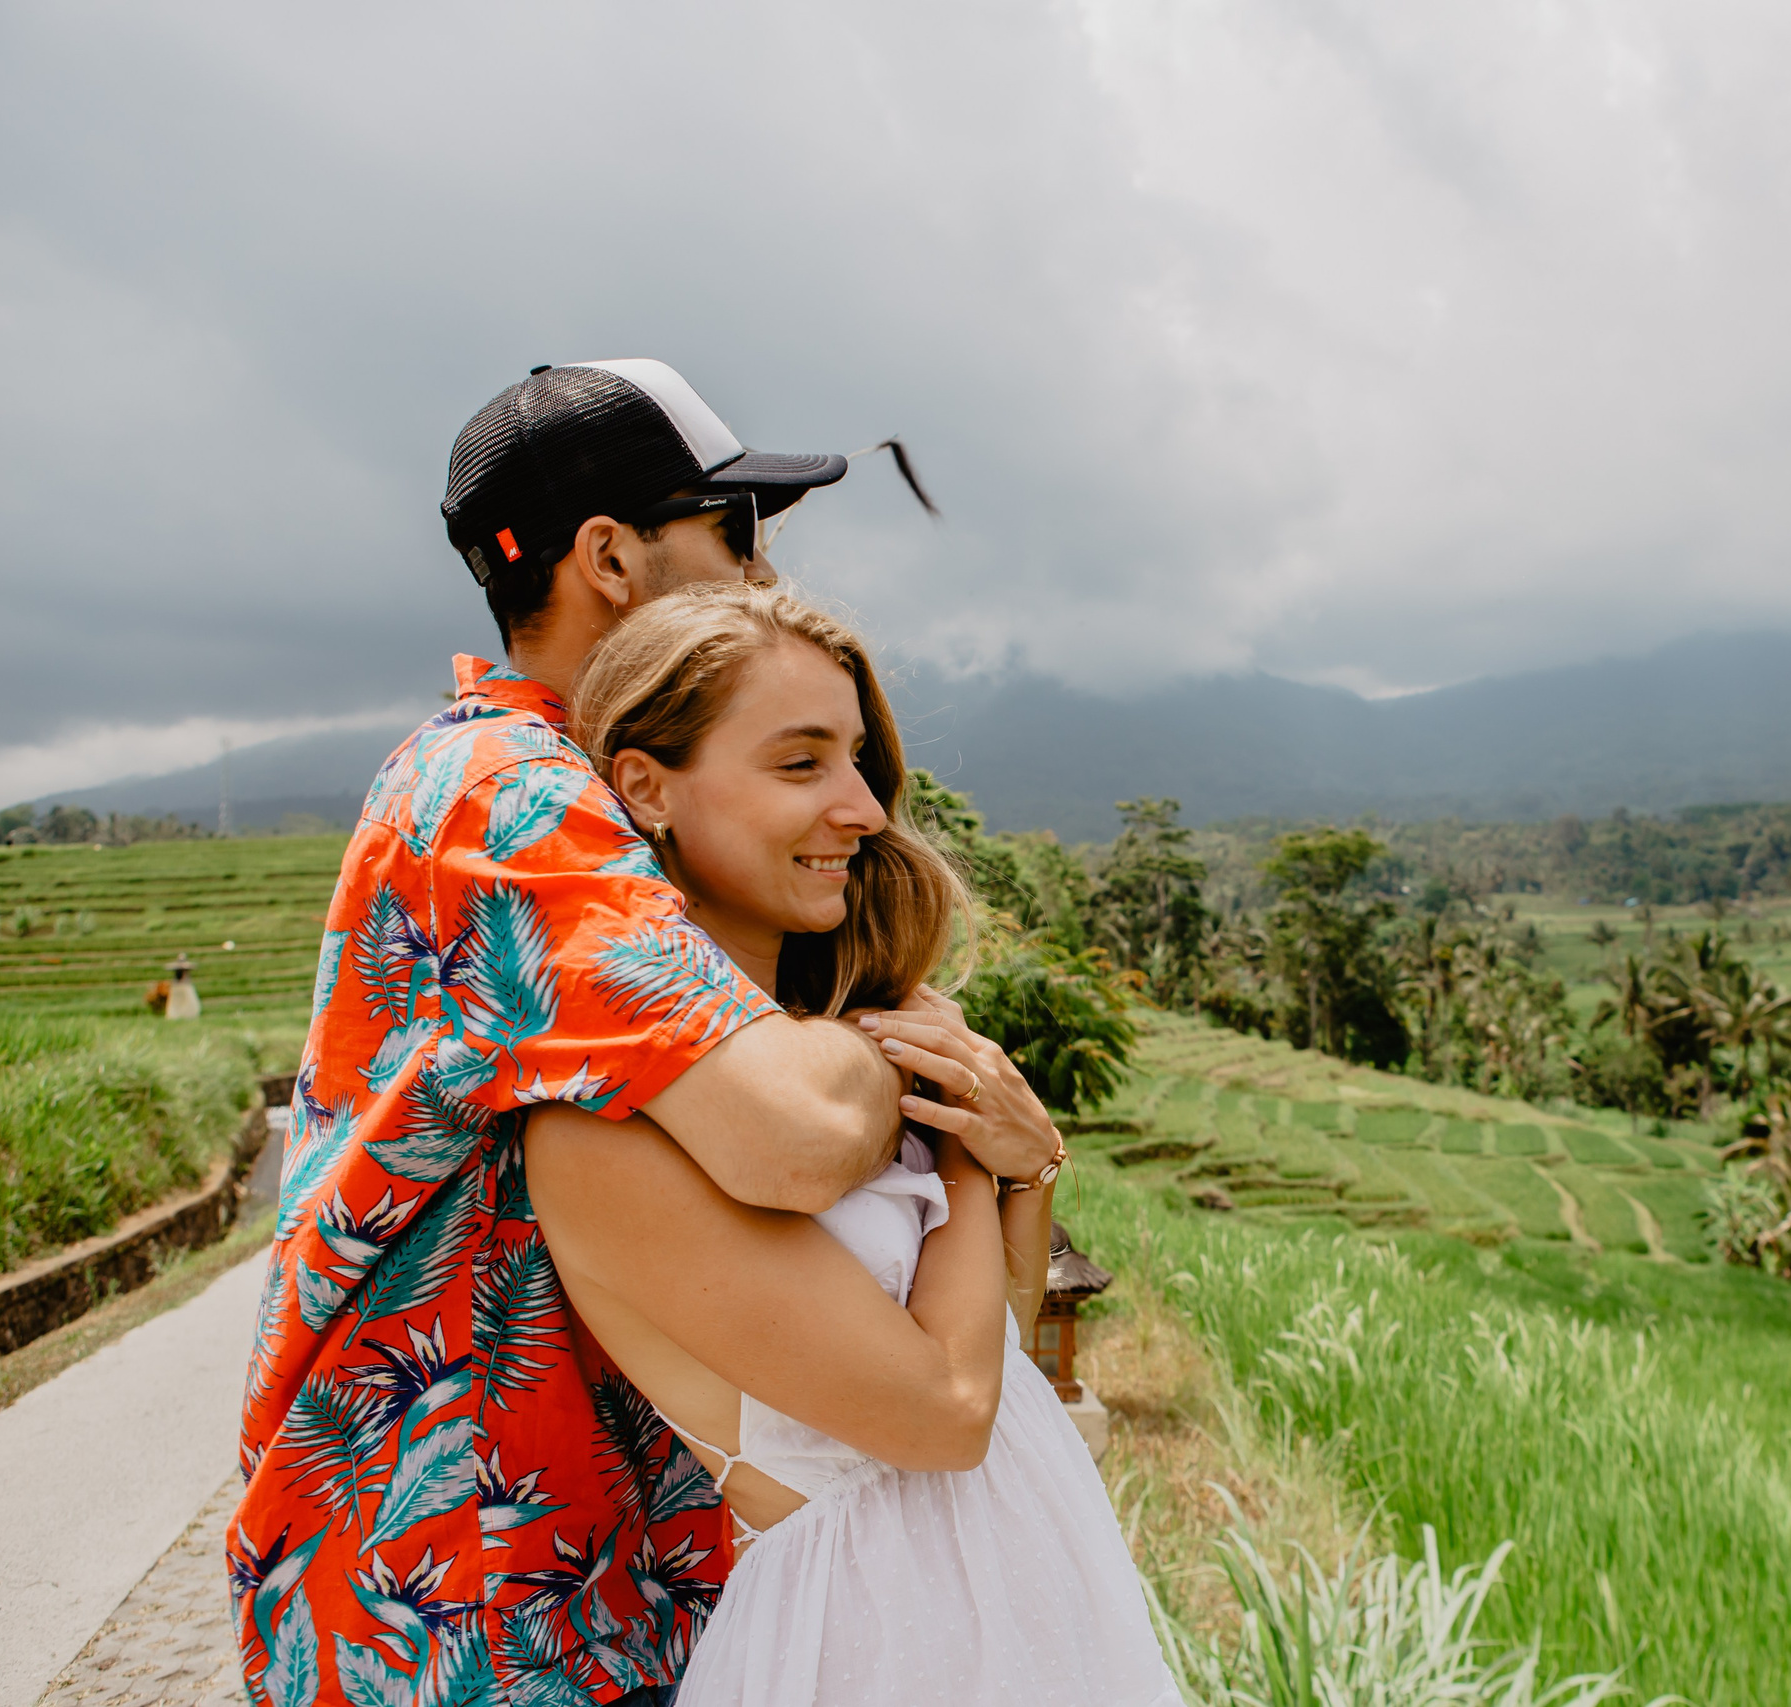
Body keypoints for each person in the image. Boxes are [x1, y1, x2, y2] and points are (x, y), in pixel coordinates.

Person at [228, 361, 1063, 1707]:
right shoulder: (509, 786)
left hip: (582, 1575)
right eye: (736, 527)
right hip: (473, 1600)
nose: (763, 565)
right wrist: (912, 1039)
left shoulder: (568, 794)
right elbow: (794, 1133)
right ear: (611, 558)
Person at [525, 580, 1177, 1706]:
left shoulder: (843, 1046)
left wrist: (1031, 1164)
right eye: (801, 763)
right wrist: (968, 1154)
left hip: (1033, 1592)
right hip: (874, 1639)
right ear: (647, 786)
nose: (866, 809)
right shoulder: (601, 1132)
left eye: (859, 762)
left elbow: (1000, 1348)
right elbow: (945, 1413)